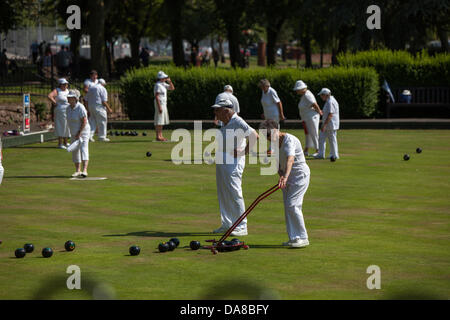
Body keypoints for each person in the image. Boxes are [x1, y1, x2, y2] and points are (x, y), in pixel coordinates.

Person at [260, 119, 310, 248]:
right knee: (288, 207)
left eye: (268, 135)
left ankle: (303, 237)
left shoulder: (289, 140)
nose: (268, 139)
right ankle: (293, 238)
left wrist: (285, 177)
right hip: (286, 177)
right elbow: (277, 162)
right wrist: (281, 175)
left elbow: (290, 160)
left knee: (293, 205)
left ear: (276, 131)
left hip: (299, 176)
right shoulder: (274, 144)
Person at [212, 99, 259, 236]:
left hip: (233, 161)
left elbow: (254, 136)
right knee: (223, 192)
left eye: (217, 110)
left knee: (234, 192)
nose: (215, 113)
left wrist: (244, 151)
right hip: (222, 159)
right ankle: (227, 224)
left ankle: (242, 226)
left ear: (226, 110)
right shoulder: (224, 121)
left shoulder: (238, 121)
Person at [293, 80, 323, 156]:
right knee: (308, 134)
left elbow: (314, 104)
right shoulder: (304, 95)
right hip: (306, 118)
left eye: (297, 90)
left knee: (314, 133)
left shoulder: (307, 95)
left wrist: (319, 111)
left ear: (301, 89)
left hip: (312, 117)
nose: (296, 91)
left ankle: (318, 150)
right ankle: (306, 149)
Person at [66, 90, 90, 178]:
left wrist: (79, 133)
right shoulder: (68, 108)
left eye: (70, 97)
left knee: (84, 149)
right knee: (75, 151)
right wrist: (72, 133)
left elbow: (84, 121)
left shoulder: (81, 107)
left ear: (75, 99)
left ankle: (85, 170)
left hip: (83, 131)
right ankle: (77, 171)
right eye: (68, 97)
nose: (68, 98)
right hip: (73, 132)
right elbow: (69, 121)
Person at [315, 88, 340, 160]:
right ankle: (321, 154)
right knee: (322, 138)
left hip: (330, 124)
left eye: (321, 95)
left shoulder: (330, 101)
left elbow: (330, 114)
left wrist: (324, 125)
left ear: (325, 95)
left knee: (332, 139)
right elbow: (327, 112)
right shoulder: (329, 101)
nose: (321, 97)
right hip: (328, 124)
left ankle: (335, 155)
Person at [48, 78, 71, 149]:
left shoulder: (68, 91)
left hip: (68, 110)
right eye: (63, 84)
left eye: (66, 84)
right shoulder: (57, 90)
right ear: (60, 84)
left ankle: (66, 142)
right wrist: (55, 103)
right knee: (61, 126)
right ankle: (60, 143)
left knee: (67, 126)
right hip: (60, 111)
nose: (65, 85)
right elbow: (49, 96)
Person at [154, 71, 175, 141]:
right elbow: (156, 96)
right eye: (164, 77)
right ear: (161, 78)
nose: (165, 78)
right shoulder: (158, 85)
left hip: (164, 104)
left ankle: (160, 135)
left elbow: (172, 88)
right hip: (159, 103)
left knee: (161, 120)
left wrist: (170, 81)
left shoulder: (163, 84)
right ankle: (158, 136)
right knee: (159, 120)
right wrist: (159, 106)